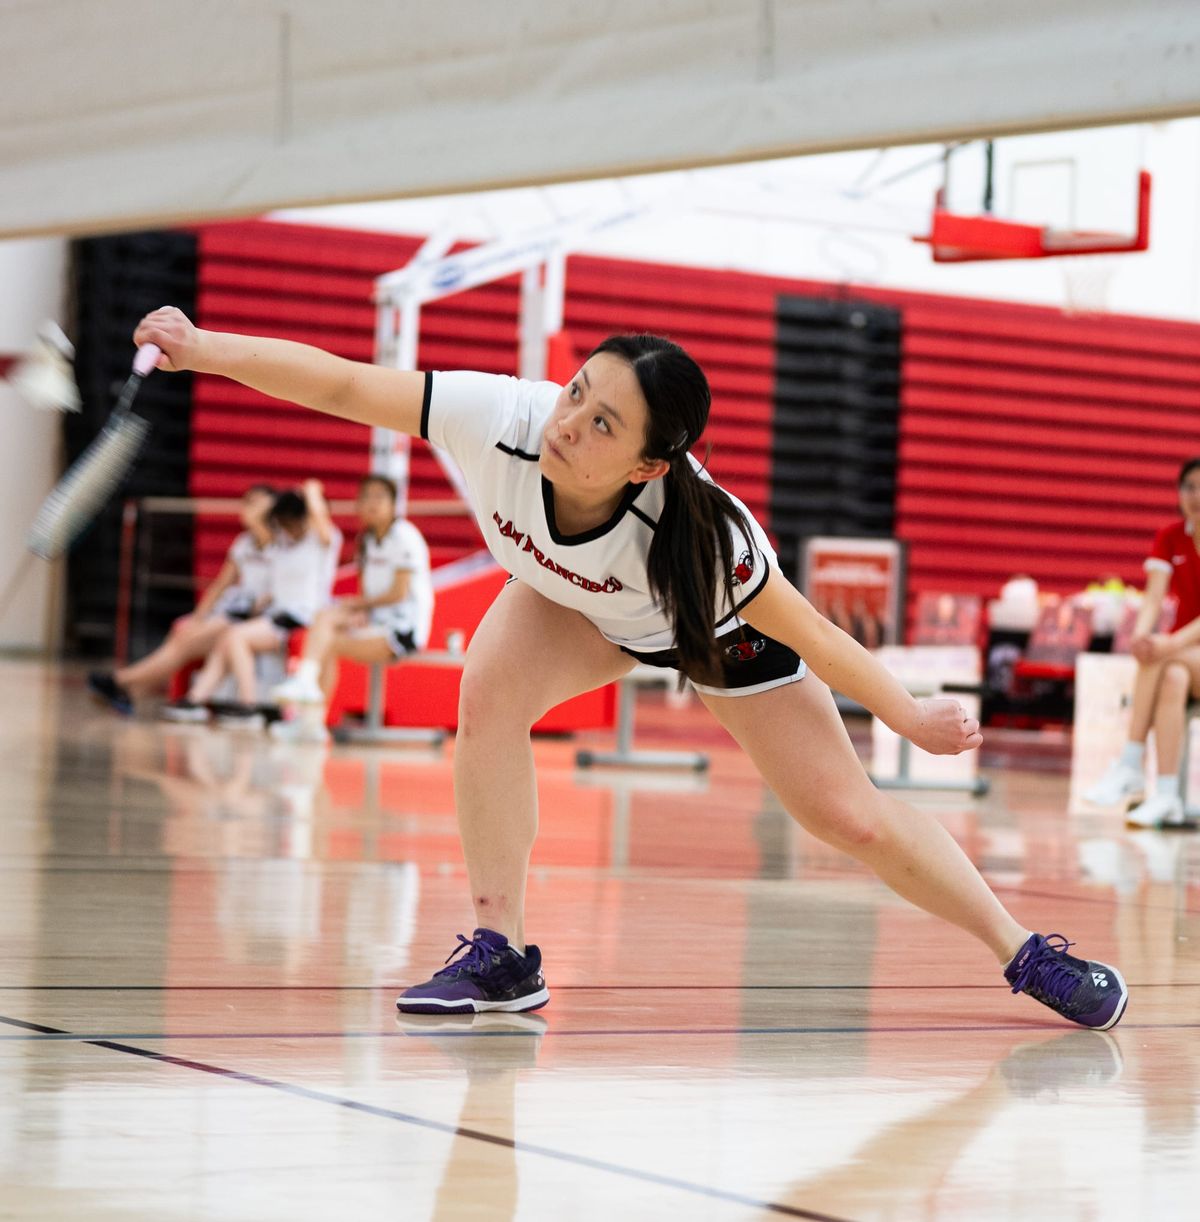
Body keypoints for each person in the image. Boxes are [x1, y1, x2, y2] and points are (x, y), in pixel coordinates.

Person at [131, 305, 1129, 1031]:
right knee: (489, 697)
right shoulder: (505, 419)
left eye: (605, 423)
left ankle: (1027, 952)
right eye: (578, 394)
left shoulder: (707, 541)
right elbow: (346, 383)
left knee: (848, 817)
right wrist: (203, 349)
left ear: (652, 463)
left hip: (707, 633)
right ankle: (502, 953)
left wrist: (909, 716)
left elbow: (819, 638)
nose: (569, 422)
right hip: (580, 604)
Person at [163, 481, 342, 729]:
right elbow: (278, 576)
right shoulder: (282, 544)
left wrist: (311, 494)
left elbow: (320, 519)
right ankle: (196, 700)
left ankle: (249, 705)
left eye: (293, 523)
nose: (289, 529)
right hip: (276, 615)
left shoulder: (323, 541)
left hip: (303, 617)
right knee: (227, 638)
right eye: (285, 524)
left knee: (236, 636)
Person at [271, 473, 434, 741]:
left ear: (394, 504)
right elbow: (367, 591)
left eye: (379, 497)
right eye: (366, 497)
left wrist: (358, 604)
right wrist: (360, 611)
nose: (372, 503)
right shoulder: (366, 540)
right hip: (375, 621)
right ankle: (308, 704)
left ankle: (309, 711)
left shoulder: (404, 536)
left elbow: (397, 593)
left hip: (403, 630)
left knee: (329, 642)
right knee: (325, 619)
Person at [87, 483, 275, 714]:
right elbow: (220, 585)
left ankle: (121, 681)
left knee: (184, 641)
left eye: (254, 503)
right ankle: (130, 691)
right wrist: (199, 615)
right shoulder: (244, 543)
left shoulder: (281, 546)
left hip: (254, 617)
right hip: (231, 611)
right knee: (183, 630)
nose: (246, 508)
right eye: (246, 502)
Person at [1085, 457, 1200, 829]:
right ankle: (1166, 794)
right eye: (1189, 487)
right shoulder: (1170, 536)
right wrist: (1142, 636)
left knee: (1163, 658)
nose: (1195, 495)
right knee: (1172, 677)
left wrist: (1167, 644)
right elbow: (1152, 599)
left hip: (1184, 645)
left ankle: (1131, 762)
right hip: (1184, 655)